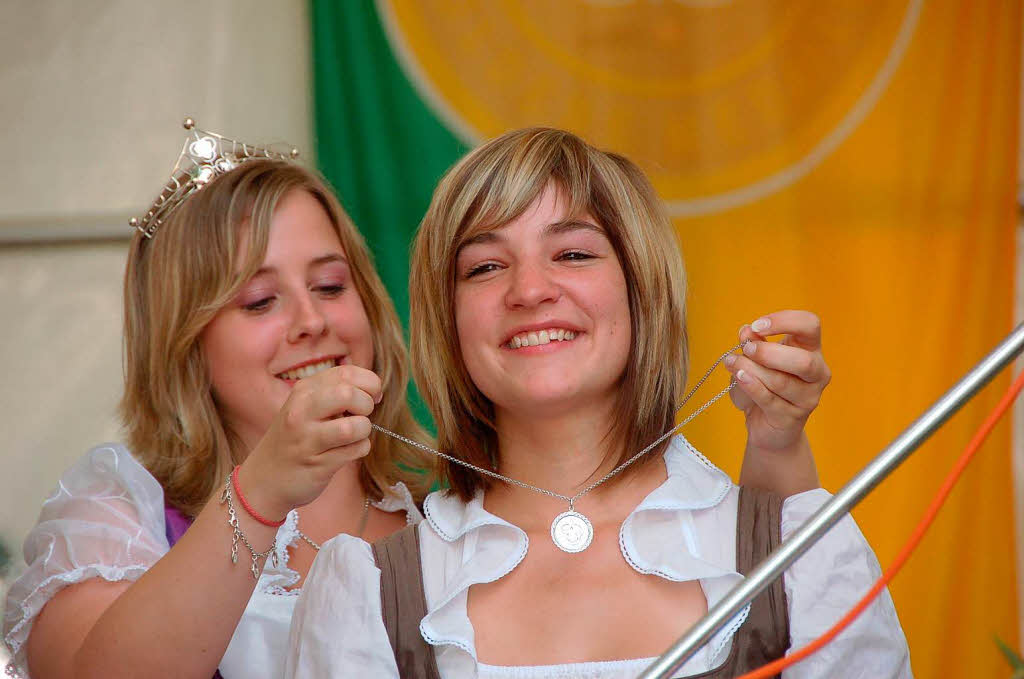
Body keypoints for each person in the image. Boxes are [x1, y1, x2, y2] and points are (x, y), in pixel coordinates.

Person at [287, 128, 912, 678]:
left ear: (642, 290)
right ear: (446, 321)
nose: (529, 290)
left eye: (573, 254)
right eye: (484, 267)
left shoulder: (806, 553)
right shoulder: (368, 593)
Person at [2, 122, 434, 678]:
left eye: (330, 286)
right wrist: (262, 490)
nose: (312, 321)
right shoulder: (123, 522)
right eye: (258, 301)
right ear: (187, 344)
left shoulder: (446, 518)